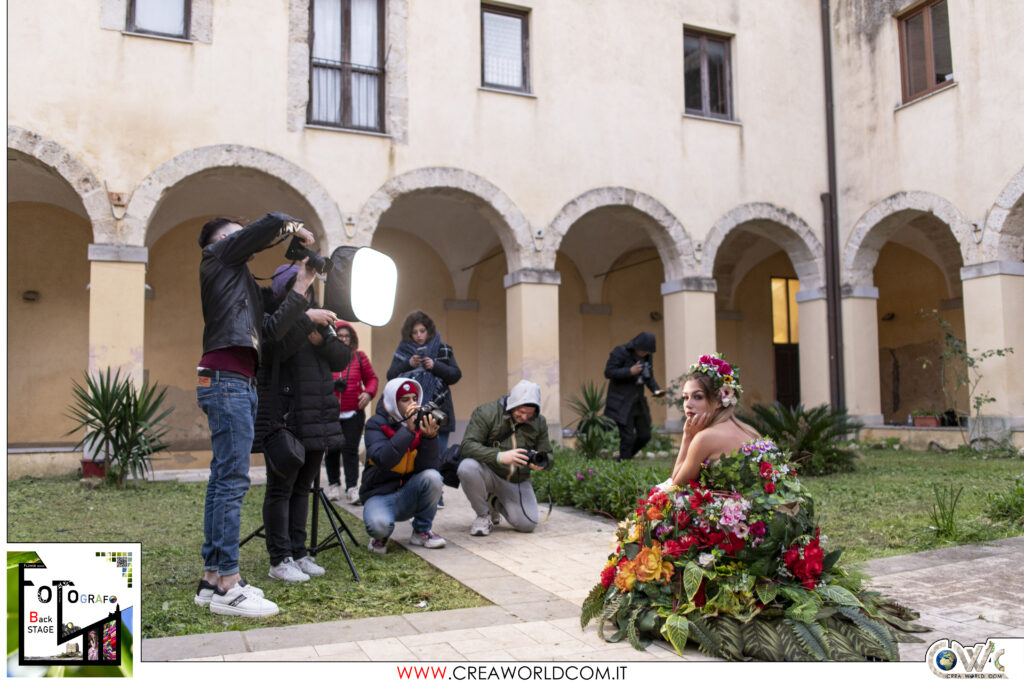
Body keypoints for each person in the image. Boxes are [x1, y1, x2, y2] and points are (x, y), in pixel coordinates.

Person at [584, 353, 923, 660]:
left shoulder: (703, 437)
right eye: (685, 397)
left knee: (656, 511)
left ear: (720, 399)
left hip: (748, 536)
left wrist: (687, 438)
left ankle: (659, 585)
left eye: (697, 397)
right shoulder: (749, 428)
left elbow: (675, 483)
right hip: (778, 530)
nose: (688, 405)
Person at [194, 212, 314, 618]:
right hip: (227, 379)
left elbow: (272, 329)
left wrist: (302, 285)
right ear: (219, 242)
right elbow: (267, 226)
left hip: (237, 380)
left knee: (222, 479)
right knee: (231, 481)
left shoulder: (241, 282)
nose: (239, 240)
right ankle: (229, 583)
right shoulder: (217, 257)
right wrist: (293, 227)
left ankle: (213, 580)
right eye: (234, 235)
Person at [254, 264, 351, 583]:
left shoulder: (320, 320)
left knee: (304, 488)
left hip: (316, 415)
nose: (307, 294)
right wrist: (304, 322)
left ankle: (298, 552)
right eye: (301, 288)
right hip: (285, 414)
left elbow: (342, 358)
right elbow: (272, 350)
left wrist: (323, 340)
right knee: (280, 488)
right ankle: (279, 558)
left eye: (309, 289)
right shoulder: (271, 318)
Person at [360, 377, 446, 553]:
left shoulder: (419, 423)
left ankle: (421, 531)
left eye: (415, 399)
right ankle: (380, 536)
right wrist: (407, 430)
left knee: (433, 478)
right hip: (380, 494)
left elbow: (428, 468)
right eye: (405, 400)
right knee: (379, 526)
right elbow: (384, 460)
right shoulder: (375, 424)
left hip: (408, 494)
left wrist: (430, 438)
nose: (412, 404)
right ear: (392, 402)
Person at [458, 379, 552, 536]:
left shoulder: (539, 422)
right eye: (520, 412)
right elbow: (467, 445)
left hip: (517, 480)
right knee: (467, 467)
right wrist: (500, 456)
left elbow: (549, 455)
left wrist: (542, 461)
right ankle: (483, 515)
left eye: (529, 414)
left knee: (527, 524)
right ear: (512, 404)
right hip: (489, 472)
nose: (524, 417)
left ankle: (495, 502)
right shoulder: (486, 413)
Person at [324, 321, 378, 504]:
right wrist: (332, 386)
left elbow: (372, 379)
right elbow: (319, 380)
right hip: (331, 412)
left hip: (353, 413)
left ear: (352, 339)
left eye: (347, 336)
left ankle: (352, 487)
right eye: (340, 336)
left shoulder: (359, 357)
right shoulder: (326, 357)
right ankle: (333, 485)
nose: (344, 339)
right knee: (332, 449)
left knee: (350, 450)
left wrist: (368, 393)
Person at [603, 332, 666, 462]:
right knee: (627, 437)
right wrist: (629, 371)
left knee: (645, 435)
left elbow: (649, 376)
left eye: (647, 352)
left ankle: (623, 459)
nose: (645, 354)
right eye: (643, 351)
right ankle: (624, 464)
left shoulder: (647, 356)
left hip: (638, 402)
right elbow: (609, 372)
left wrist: (656, 390)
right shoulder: (620, 352)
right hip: (622, 402)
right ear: (636, 346)